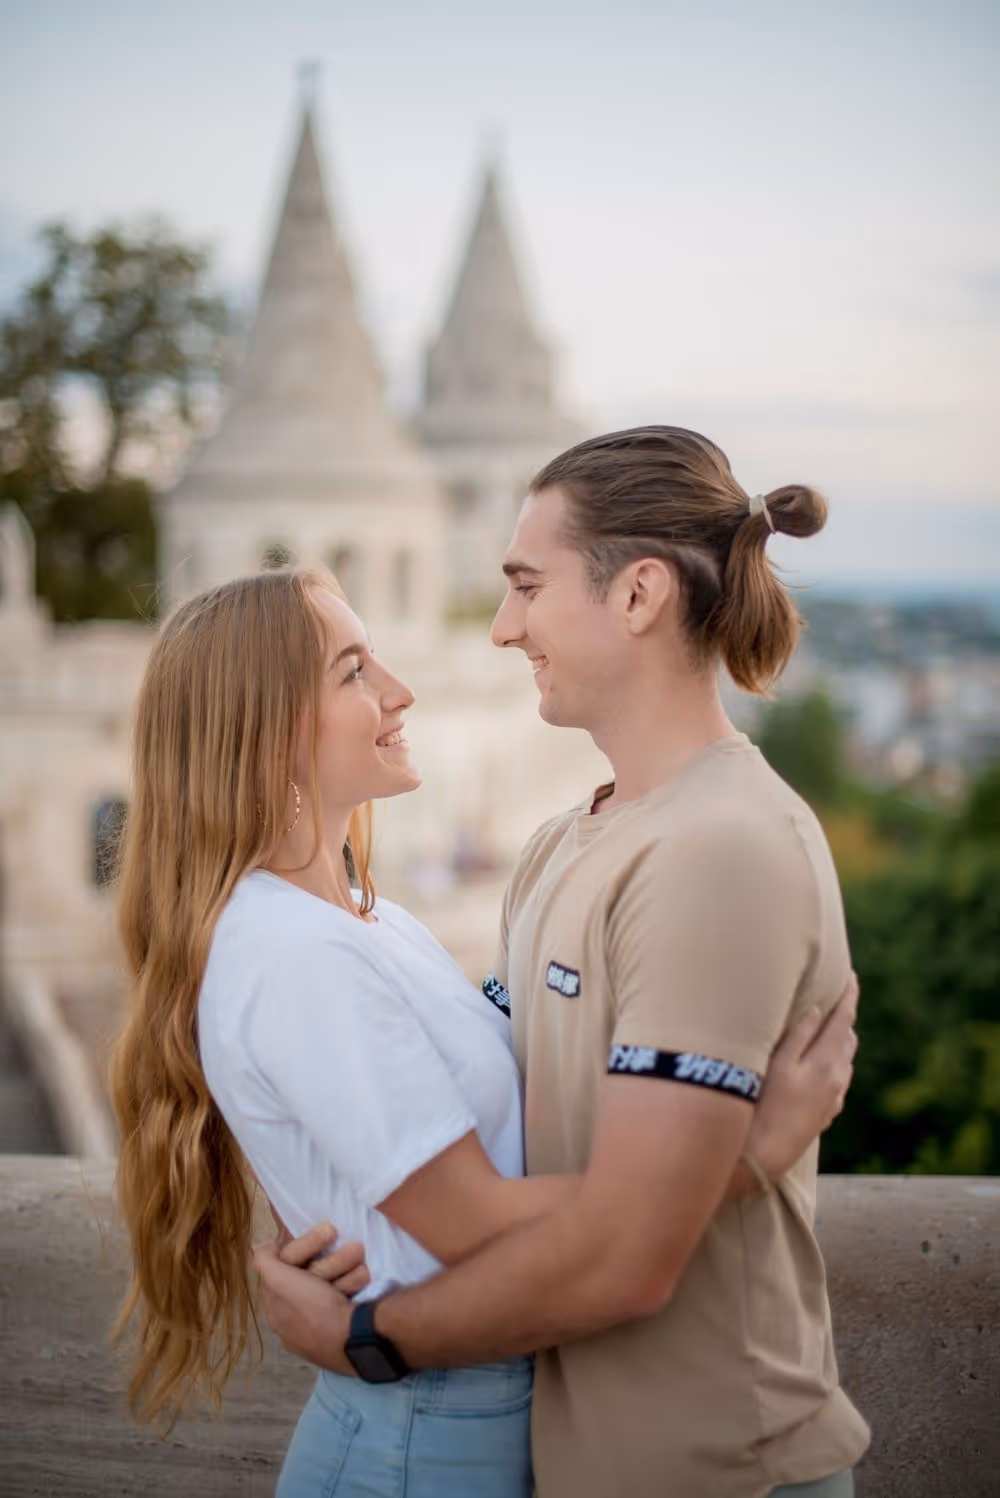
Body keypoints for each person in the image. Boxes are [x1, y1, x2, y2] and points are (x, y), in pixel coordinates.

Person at [108, 555, 854, 1498]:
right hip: (424, 1434)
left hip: (464, 1413)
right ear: (262, 730)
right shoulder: (295, 950)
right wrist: (750, 1149)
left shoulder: (370, 923)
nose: (399, 689)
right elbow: (473, 1223)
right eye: (353, 672)